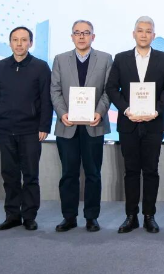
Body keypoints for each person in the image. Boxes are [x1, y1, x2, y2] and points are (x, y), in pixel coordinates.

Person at [106, 16, 164, 233]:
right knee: (130, 171)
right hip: (128, 124)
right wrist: (126, 110)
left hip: (153, 124)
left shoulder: (163, 58)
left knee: (151, 171)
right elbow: (111, 88)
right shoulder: (121, 58)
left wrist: (157, 110)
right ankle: (131, 216)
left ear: (153, 35)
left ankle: (149, 215)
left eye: (148, 31)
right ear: (133, 34)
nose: (144, 34)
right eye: (140, 30)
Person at [0, 26, 53, 231]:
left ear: (30, 43)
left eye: (24, 40)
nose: (19, 44)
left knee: (31, 175)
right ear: (10, 43)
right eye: (15, 40)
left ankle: (29, 216)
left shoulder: (40, 67)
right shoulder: (0, 66)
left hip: (31, 130)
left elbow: (46, 99)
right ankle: (12, 215)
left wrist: (44, 125)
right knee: (10, 175)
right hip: (6, 129)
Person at [50, 20, 113, 232]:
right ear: (72, 37)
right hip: (67, 125)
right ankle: (69, 217)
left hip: (93, 124)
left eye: (86, 33)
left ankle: (91, 217)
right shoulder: (60, 59)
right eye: (77, 33)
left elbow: (109, 90)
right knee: (69, 174)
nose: (81, 36)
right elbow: (55, 90)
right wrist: (62, 113)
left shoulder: (105, 58)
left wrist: (100, 112)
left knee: (93, 173)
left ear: (93, 37)